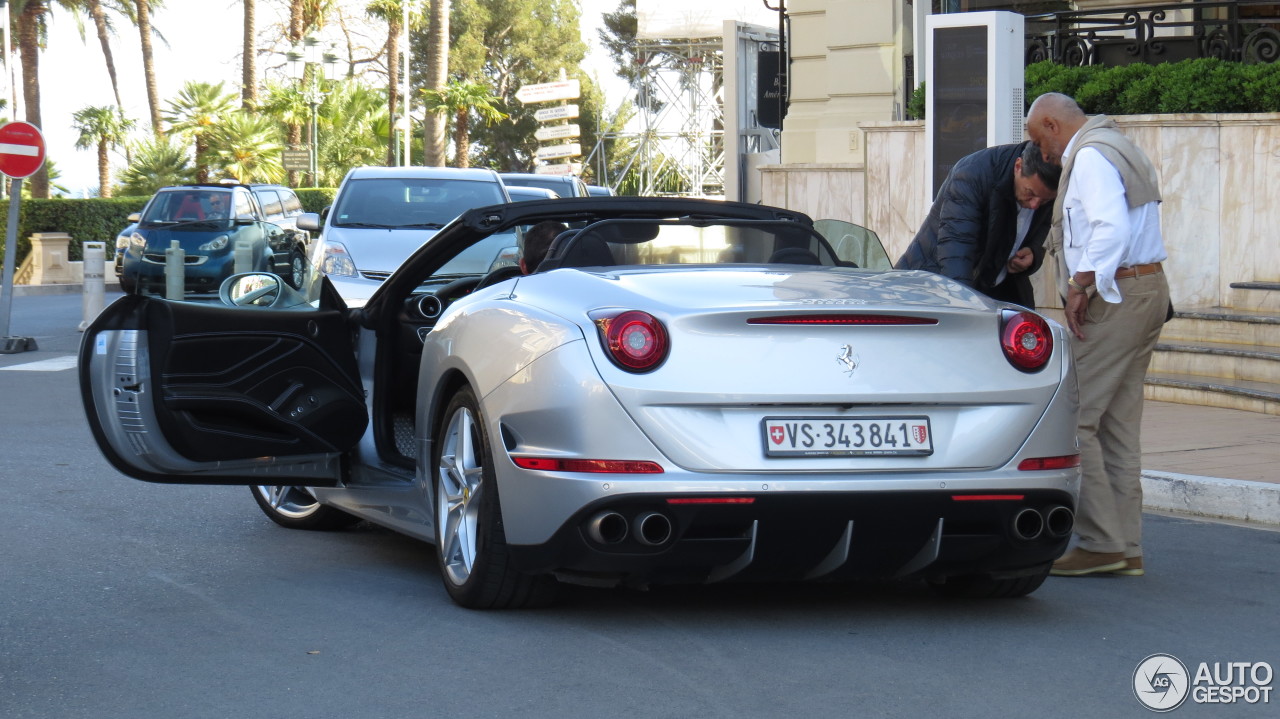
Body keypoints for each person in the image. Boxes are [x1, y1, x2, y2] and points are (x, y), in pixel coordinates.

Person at [1026, 92, 1170, 578]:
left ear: (1051, 123)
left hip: (1119, 294)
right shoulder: (1116, 143)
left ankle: (1103, 541)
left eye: (1037, 138)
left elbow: (1110, 230)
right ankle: (1126, 545)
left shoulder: (1088, 156)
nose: (1040, 153)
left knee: (1077, 416)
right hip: (1146, 288)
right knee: (1117, 425)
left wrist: (1080, 283)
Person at [896, 141, 1060, 307]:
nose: (1034, 205)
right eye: (1029, 193)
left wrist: (1033, 252)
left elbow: (1043, 227)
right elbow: (956, 248)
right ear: (1018, 166)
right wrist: (965, 308)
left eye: (1045, 200)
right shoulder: (971, 174)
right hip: (931, 288)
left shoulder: (1044, 182)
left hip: (996, 288)